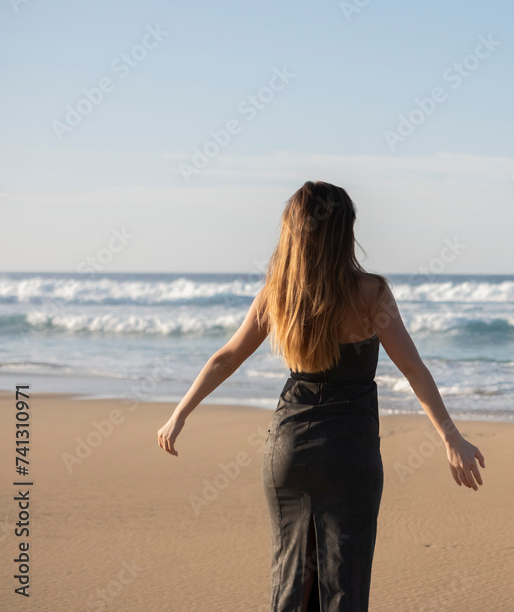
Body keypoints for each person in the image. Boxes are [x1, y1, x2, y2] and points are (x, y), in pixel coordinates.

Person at [156, 181, 486, 611]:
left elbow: (226, 358)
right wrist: (450, 437)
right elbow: (412, 368)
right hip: (347, 451)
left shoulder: (279, 293)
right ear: (345, 232)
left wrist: (179, 414)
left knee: (292, 580)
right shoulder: (371, 293)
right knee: (343, 585)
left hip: (287, 448)